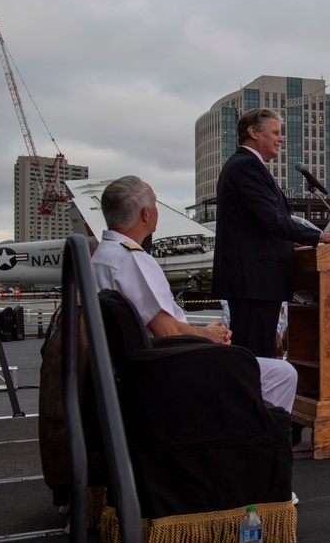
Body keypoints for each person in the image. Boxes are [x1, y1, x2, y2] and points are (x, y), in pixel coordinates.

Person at [92, 176, 297, 411]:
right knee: (282, 373)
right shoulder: (133, 260)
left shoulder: (100, 258)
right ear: (145, 214)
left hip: (129, 371)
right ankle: (250, 443)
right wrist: (206, 334)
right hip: (164, 366)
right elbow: (167, 332)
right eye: (156, 204)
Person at [212, 108, 330, 358]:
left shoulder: (243, 165)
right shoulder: (247, 165)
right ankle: (248, 398)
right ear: (253, 132)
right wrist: (321, 237)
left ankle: (252, 396)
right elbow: (270, 219)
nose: (281, 138)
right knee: (251, 356)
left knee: (254, 354)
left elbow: (260, 222)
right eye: (275, 132)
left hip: (254, 282)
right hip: (254, 282)